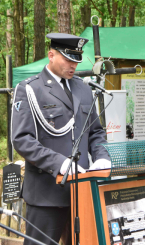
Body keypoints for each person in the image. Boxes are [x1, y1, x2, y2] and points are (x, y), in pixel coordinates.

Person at [11, 33, 111, 245]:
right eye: (68, 59)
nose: (73, 65)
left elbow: (96, 132)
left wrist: (102, 157)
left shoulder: (84, 89)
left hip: (82, 190)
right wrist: (61, 163)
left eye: (76, 60)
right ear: (51, 55)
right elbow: (22, 139)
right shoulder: (30, 89)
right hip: (46, 193)